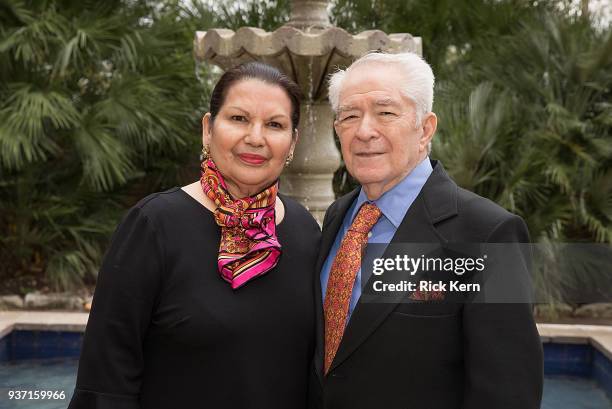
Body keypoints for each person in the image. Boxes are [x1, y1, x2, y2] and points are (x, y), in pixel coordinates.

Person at [68, 62, 321, 409]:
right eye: (239, 119)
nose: (256, 137)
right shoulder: (153, 225)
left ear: (292, 143)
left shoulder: (304, 229)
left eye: (274, 125)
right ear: (207, 129)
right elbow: (106, 380)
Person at [309, 52, 543, 409]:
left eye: (385, 113)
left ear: (425, 128)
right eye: (349, 116)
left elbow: (508, 393)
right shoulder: (338, 217)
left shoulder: (489, 234)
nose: (364, 130)